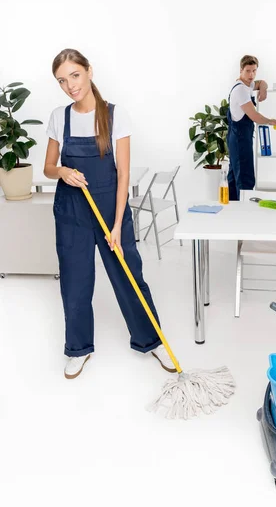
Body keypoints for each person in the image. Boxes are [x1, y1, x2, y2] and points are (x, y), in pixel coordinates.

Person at [44, 48, 175, 379]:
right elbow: (47, 167)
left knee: (129, 277)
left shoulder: (116, 115)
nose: (70, 85)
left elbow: (123, 175)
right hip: (72, 210)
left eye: (74, 75)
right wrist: (63, 172)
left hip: (109, 207)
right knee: (75, 281)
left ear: (89, 71)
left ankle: (151, 340)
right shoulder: (60, 117)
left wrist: (117, 225)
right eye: (62, 80)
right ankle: (78, 348)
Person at [227, 55, 276, 201]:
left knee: (234, 176)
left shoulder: (247, 84)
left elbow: (261, 83)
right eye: (248, 71)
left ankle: (232, 213)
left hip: (238, 138)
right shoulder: (240, 90)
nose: (251, 75)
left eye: (254, 71)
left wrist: (263, 89)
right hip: (239, 140)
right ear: (240, 70)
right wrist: (271, 121)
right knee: (244, 178)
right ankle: (244, 215)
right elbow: (254, 116)